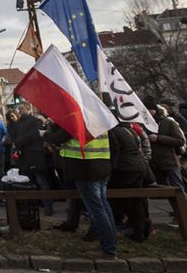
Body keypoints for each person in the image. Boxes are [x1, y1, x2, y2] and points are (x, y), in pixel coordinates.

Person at [43, 125, 117, 259]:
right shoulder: (99, 120)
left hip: (85, 170)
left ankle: (109, 249)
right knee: (104, 208)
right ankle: (111, 245)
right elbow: (115, 145)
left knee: (98, 210)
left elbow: (58, 138)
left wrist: (43, 134)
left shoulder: (76, 120)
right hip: (102, 168)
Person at [108, 121, 149, 242]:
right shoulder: (129, 131)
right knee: (137, 200)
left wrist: (112, 168)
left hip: (125, 169)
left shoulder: (113, 132)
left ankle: (120, 222)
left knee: (115, 198)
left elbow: (115, 151)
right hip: (139, 167)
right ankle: (140, 230)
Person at [10, 103, 53, 216]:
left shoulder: (35, 121)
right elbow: (14, 135)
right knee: (28, 183)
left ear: (28, 109)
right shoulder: (18, 123)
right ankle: (32, 207)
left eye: (21, 109)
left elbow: (34, 134)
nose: (19, 111)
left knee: (41, 181)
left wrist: (19, 142)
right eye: (18, 109)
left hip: (35, 155)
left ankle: (48, 207)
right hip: (23, 157)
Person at [142, 96, 186, 190]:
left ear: (154, 110)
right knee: (162, 192)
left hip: (170, 162)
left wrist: (159, 138)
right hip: (155, 165)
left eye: (148, 110)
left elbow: (180, 141)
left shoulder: (169, 122)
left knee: (178, 189)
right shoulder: (144, 125)